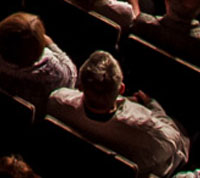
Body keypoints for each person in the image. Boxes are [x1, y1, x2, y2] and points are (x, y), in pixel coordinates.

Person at [47, 50, 189, 177]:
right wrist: (153, 106)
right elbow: (175, 143)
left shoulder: (57, 102)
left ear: (81, 86)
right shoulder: (154, 134)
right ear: (121, 89)